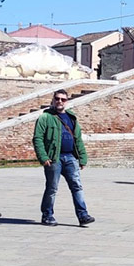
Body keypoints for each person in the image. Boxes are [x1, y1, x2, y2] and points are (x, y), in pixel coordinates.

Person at [33, 88, 94, 227]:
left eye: (63, 99)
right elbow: (37, 138)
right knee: (52, 188)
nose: (60, 101)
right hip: (54, 158)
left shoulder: (72, 118)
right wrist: (43, 157)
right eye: (57, 99)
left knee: (77, 186)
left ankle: (83, 215)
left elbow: (78, 139)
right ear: (53, 100)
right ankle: (47, 215)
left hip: (70, 158)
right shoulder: (45, 117)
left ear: (67, 101)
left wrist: (83, 157)